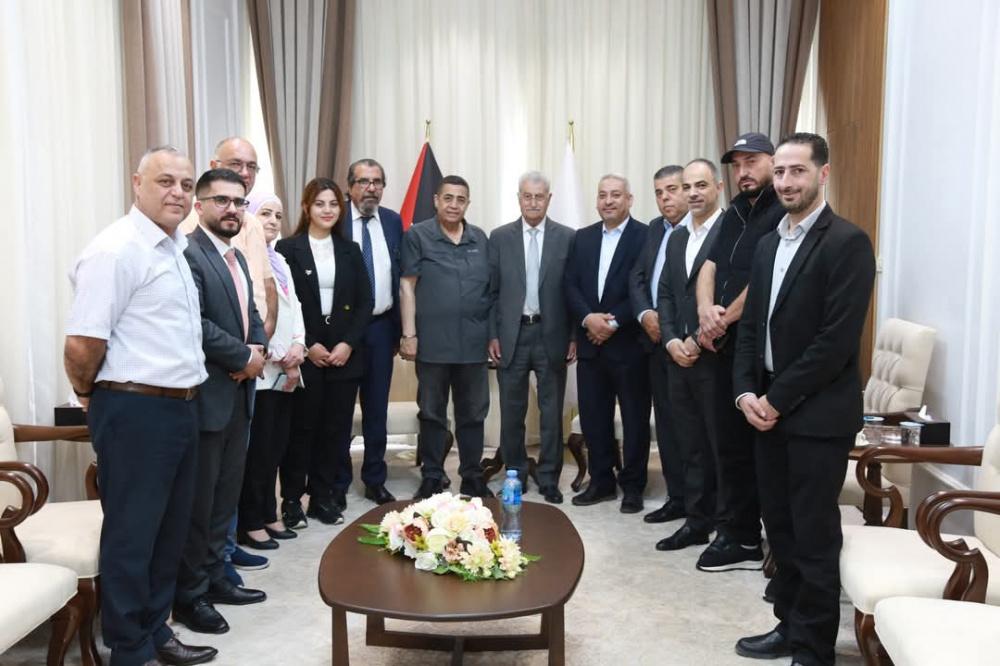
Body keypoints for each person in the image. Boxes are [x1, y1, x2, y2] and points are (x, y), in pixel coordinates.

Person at [65, 146, 217, 665]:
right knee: (133, 535)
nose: (178, 192)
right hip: (135, 410)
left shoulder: (173, 247)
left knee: (169, 532)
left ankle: (156, 632)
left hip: (181, 407)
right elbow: (82, 344)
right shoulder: (116, 250)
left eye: (186, 184)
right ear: (137, 183)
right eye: (165, 181)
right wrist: (91, 397)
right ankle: (128, 649)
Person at [733, 133, 875, 666]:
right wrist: (746, 392)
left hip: (817, 414)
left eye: (798, 171)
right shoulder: (768, 243)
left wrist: (776, 399)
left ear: (823, 174)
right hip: (765, 409)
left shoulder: (848, 243)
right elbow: (750, 329)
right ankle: (789, 627)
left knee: (813, 536)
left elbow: (834, 343)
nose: (787, 182)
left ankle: (814, 649)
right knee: (779, 529)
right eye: (780, 172)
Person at [172, 168, 269, 636]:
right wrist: (243, 357)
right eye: (222, 201)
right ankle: (190, 597)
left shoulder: (236, 257)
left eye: (239, 202)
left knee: (224, 499)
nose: (232, 209)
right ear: (200, 206)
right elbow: (197, 323)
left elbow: (251, 314)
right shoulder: (188, 253)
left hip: (238, 394)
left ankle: (215, 578)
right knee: (200, 503)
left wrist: (259, 349)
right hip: (208, 395)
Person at [693, 132, 785, 573]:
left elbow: (765, 280)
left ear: (772, 162)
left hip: (752, 347)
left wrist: (723, 319)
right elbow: (708, 266)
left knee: (747, 449)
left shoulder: (781, 211)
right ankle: (736, 531)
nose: (744, 172)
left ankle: (746, 535)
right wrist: (704, 312)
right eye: (738, 165)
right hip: (719, 343)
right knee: (724, 444)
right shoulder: (734, 211)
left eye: (752, 162)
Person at [276, 178, 373, 526]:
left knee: (335, 431)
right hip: (306, 352)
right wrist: (310, 343)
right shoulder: (287, 249)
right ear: (307, 208)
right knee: (301, 430)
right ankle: (291, 499)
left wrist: (347, 343)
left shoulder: (350, 250)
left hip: (345, 354)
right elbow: (287, 303)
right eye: (320, 204)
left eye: (333, 204)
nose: (327, 210)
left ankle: (322, 497)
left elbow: (365, 302)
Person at [400, 175, 493, 500]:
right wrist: (409, 334)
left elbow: (491, 292)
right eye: (448, 198)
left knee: (473, 414)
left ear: (468, 204)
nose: (454, 205)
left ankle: (472, 476)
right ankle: (432, 475)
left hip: (474, 344)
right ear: (436, 201)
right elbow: (407, 286)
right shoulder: (418, 236)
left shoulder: (480, 238)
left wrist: (492, 337)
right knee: (432, 413)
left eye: (461, 199)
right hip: (432, 344)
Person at [488, 171, 576, 504]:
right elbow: (491, 292)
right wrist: (492, 335)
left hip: (552, 334)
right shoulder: (500, 237)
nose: (533, 202)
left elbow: (573, 292)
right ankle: (516, 475)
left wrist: (573, 336)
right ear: (519, 198)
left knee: (551, 412)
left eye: (540, 197)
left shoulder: (567, 237)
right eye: (527, 196)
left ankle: (550, 478)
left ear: (549, 199)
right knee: (512, 412)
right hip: (511, 335)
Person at [564, 174, 650, 513]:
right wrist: (589, 319)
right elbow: (570, 284)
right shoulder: (582, 237)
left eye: (616, 195)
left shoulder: (645, 235)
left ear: (629, 199)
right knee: (593, 417)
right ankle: (601, 482)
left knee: (634, 419)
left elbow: (643, 287)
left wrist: (611, 323)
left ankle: (633, 486)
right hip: (590, 344)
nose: (609, 201)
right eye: (603, 195)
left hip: (629, 344)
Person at [653, 159, 724, 552]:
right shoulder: (678, 237)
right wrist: (670, 341)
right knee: (690, 444)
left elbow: (731, 295)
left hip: (715, 356)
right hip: (677, 356)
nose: (693, 193)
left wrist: (696, 340)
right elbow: (665, 293)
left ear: (718, 188)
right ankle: (696, 522)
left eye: (701, 185)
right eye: (687, 187)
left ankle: (727, 526)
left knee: (719, 446)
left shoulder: (731, 232)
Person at [237, 192, 306, 549]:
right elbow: (255, 313)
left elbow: (295, 309)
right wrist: (276, 351)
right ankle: (251, 520)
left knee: (276, 448)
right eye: (265, 213)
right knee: (258, 451)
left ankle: (269, 513)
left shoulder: (280, 261)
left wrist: (299, 346)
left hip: (287, 367)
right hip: (263, 369)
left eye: (278, 216)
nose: (273, 221)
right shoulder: (244, 257)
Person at [629, 165, 689, 524]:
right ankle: (677, 497)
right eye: (659, 192)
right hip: (653, 342)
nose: (665, 198)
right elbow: (637, 277)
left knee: (691, 428)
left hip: (687, 345)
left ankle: (702, 503)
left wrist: (667, 326)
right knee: (665, 425)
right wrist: (644, 314)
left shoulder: (702, 230)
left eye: (672, 189)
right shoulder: (654, 229)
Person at [342, 158, 403, 505]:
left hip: (381, 327)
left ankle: (375, 478)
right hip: (343, 331)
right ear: (350, 186)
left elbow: (400, 275)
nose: (371, 188)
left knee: (377, 409)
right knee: (339, 409)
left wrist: (400, 331)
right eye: (363, 182)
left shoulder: (393, 221)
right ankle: (337, 480)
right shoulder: (336, 219)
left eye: (377, 182)